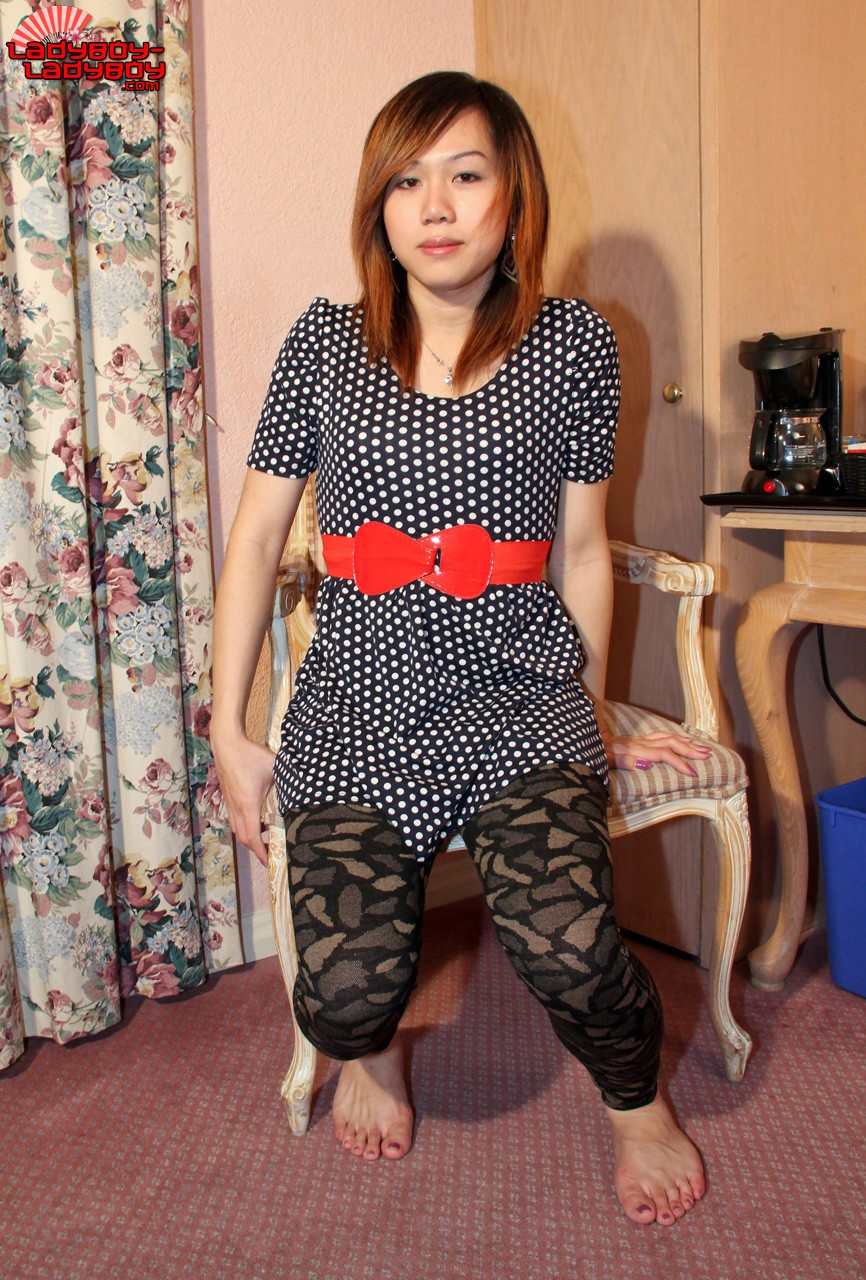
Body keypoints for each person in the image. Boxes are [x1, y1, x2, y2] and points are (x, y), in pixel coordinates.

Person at [212, 71, 709, 1227]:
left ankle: (636, 1102)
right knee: (343, 998)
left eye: (465, 174)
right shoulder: (323, 343)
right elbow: (254, 543)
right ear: (377, 207)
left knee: (572, 948)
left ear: (512, 197)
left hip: (517, 690)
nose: (433, 205)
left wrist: (586, 704)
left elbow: (579, 550)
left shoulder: (574, 343)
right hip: (356, 700)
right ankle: (376, 1053)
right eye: (405, 180)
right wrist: (228, 727)